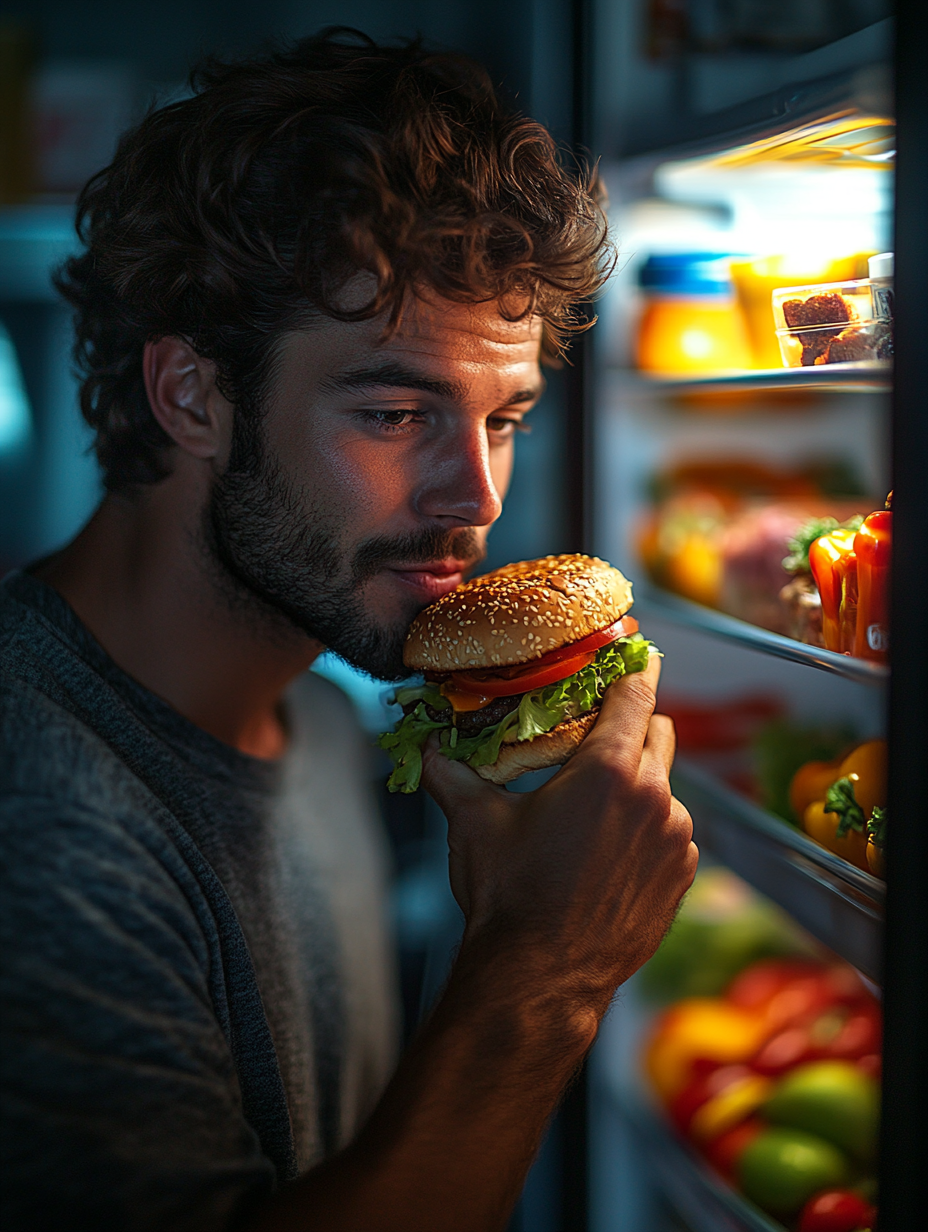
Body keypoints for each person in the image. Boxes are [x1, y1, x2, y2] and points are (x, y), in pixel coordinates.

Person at [0, 29, 697, 1232]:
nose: (474, 496)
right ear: (191, 395)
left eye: (504, 417)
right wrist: (544, 972)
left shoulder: (317, 720)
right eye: (391, 410)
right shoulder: (45, 814)